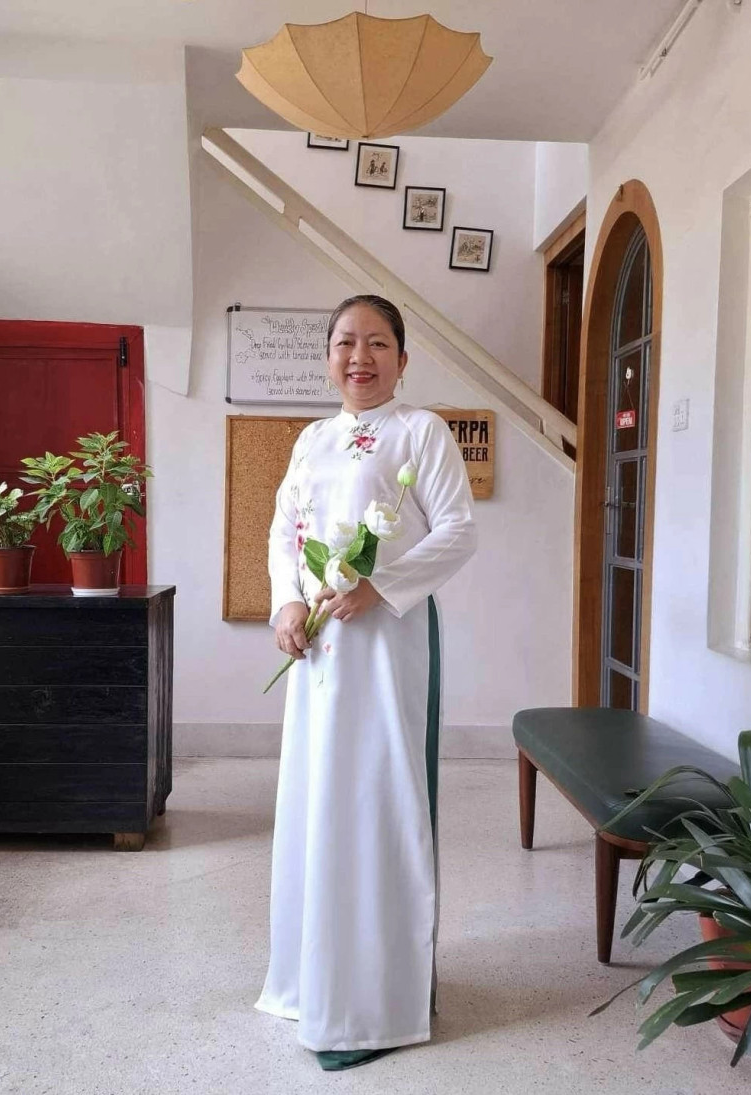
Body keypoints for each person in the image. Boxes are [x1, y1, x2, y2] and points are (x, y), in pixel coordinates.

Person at [256, 295, 477, 1071]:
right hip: (318, 659)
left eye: (378, 343)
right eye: (346, 342)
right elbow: (287, 530)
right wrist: (288, 598)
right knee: (317, 801)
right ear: (327, 356)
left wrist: (379, 587)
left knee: (377, 799)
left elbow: (458, 528)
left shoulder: (424, 430)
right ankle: (311, 977)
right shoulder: (311, 440)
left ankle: (378, 994)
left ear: (403, 359)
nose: (361, 356)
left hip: (388, 648)